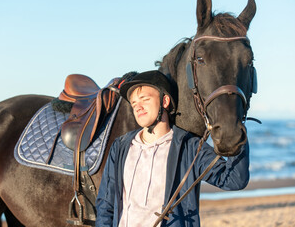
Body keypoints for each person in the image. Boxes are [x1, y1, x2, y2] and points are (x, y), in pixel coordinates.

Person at [95, 70, 249, 227]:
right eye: (134, 103)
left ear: (165, 101)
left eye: (144, 99)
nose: (138, 107)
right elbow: (106, 203)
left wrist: (236, 127)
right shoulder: (121, 146)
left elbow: (234, 179)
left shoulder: (190, 147)